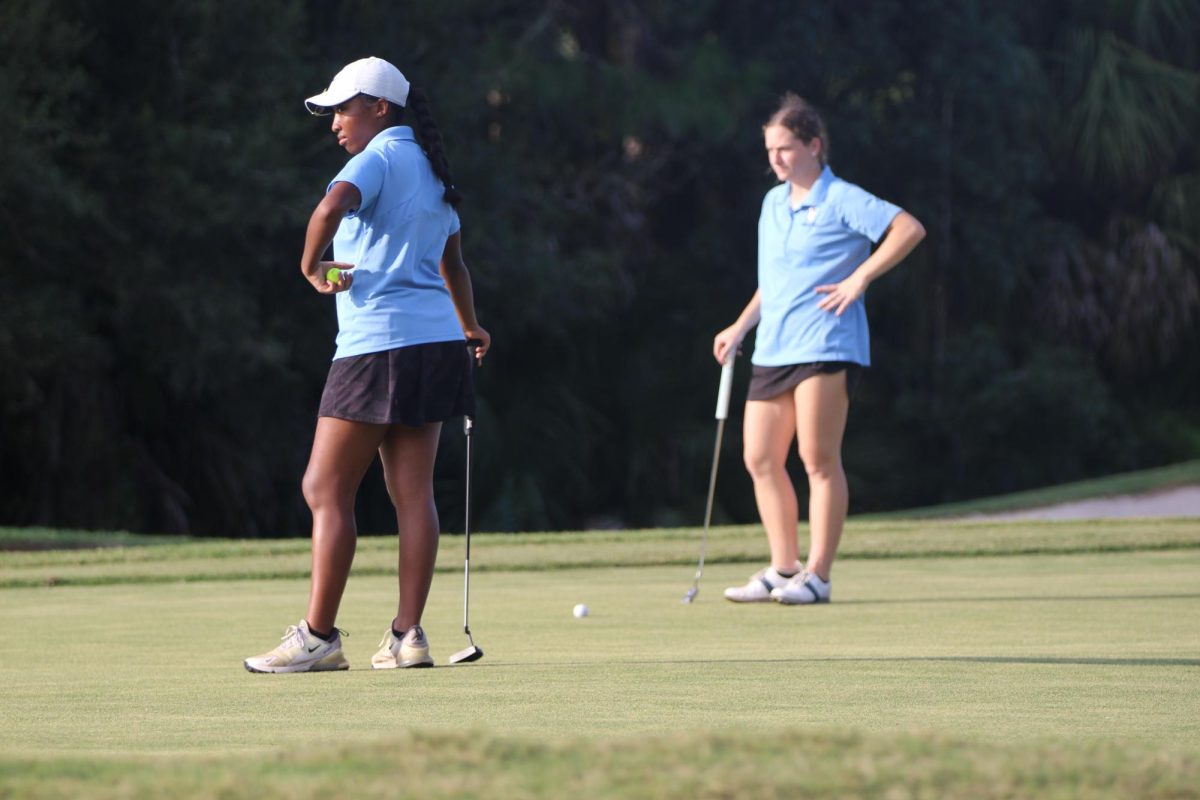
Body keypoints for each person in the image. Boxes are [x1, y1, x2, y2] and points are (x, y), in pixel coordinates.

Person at [245, 57, 491, 672]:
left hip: (378, 345)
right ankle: (408, 636)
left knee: (324, 487)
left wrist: (310, 267)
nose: (334, 122)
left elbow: (329, 211)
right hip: (437, 346)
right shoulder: (434, 168)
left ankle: (319, 636)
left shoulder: (375, 159)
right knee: (412, 493)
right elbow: (453, 264)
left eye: (344, 108)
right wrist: (470, 325)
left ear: (380, 108)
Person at [714, 93, 924, 605]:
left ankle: (819, 576)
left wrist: (861, 278)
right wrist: (740, 325)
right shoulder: (771, 204)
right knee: (760, 457)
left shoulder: (841, 198)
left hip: (827, 343)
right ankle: (784, 568)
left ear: (814, 145)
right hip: (774, 346)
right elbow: (777, 280)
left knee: (817, 458)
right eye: (770, 151)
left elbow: (908, 228)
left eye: (785, 148)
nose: (776, 160)